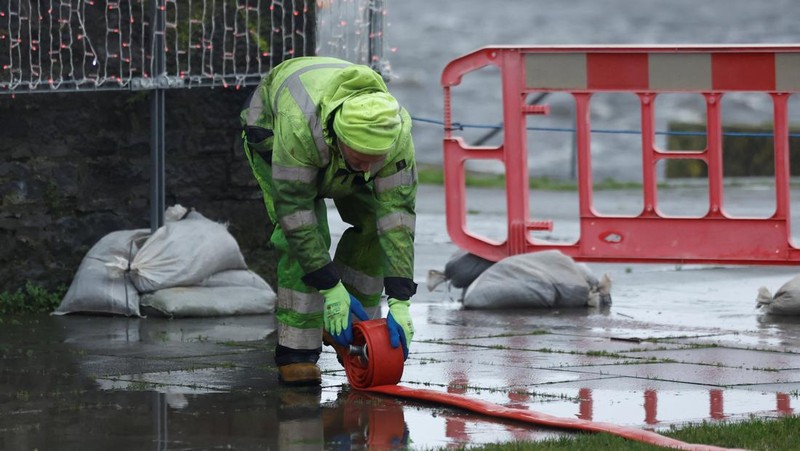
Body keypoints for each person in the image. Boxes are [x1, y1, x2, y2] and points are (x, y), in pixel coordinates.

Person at [240, 56, 417, 386]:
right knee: (308, 234)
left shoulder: (395, 134)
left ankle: (352, 329)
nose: (367, 170)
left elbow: (398, 219)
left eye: (375, 160)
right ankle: (297, 352)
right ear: (339, 140)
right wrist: (329, 286)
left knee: (376, 228)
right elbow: (296, 213)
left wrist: (400, 298)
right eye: (361, 159)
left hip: (330, 142)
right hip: (273, 133)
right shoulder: (298, 127)